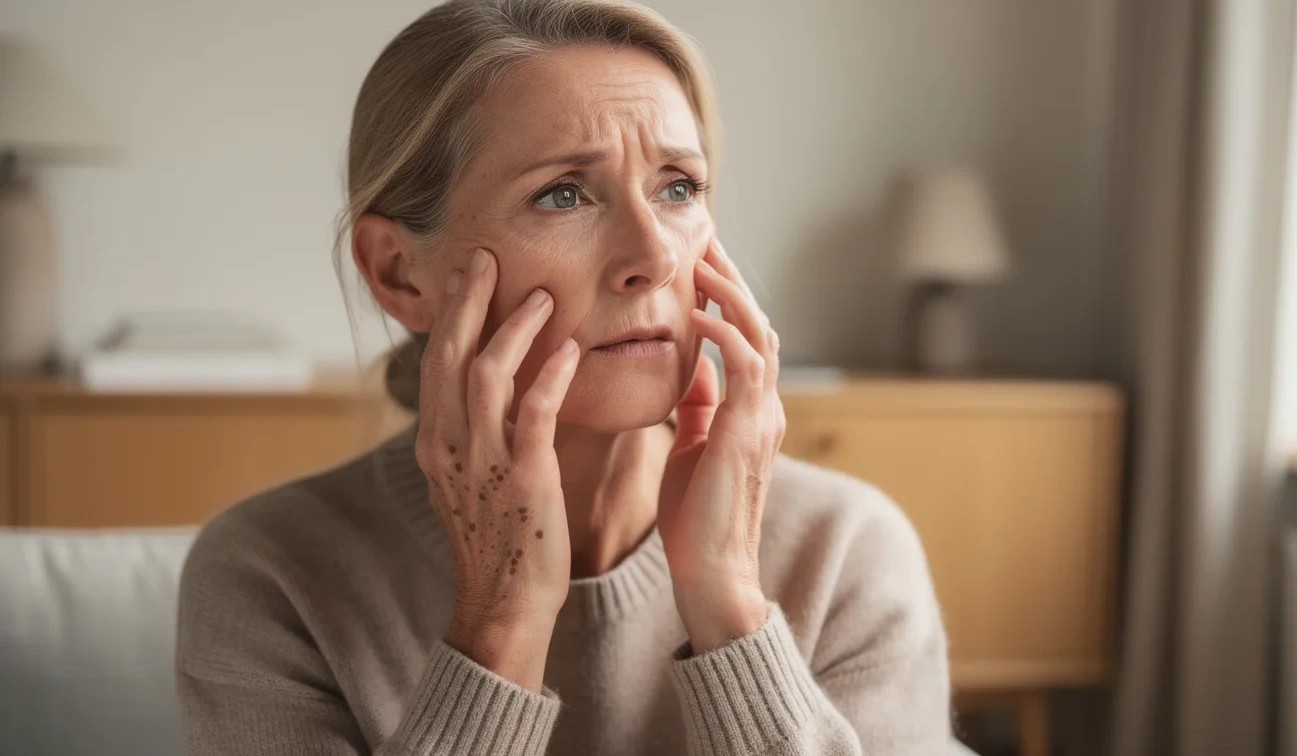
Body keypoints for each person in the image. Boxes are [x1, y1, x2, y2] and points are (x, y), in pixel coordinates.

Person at [175, 1, 952, 753]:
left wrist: (729, 607)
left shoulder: (845, 551)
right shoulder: (269, 575)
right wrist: (498, 625)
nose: (655, 257)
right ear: (398, 273)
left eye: (678, 187)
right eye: (563, 194)